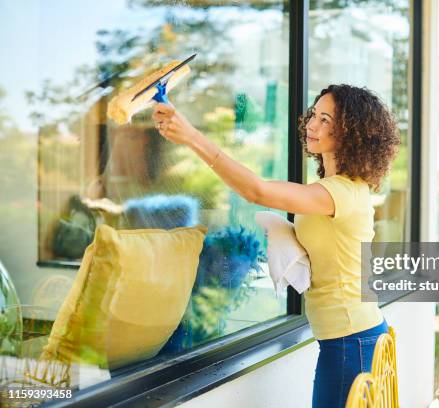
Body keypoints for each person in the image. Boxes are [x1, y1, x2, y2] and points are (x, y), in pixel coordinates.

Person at [152, 84, 400, 407]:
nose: (312, 124)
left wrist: (191, 137)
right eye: (315, 114)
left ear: (351, 133)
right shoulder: (336, 188)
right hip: (353, 335)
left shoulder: (340, 192)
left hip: (349, 340)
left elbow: (257, 190)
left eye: (326, 120)